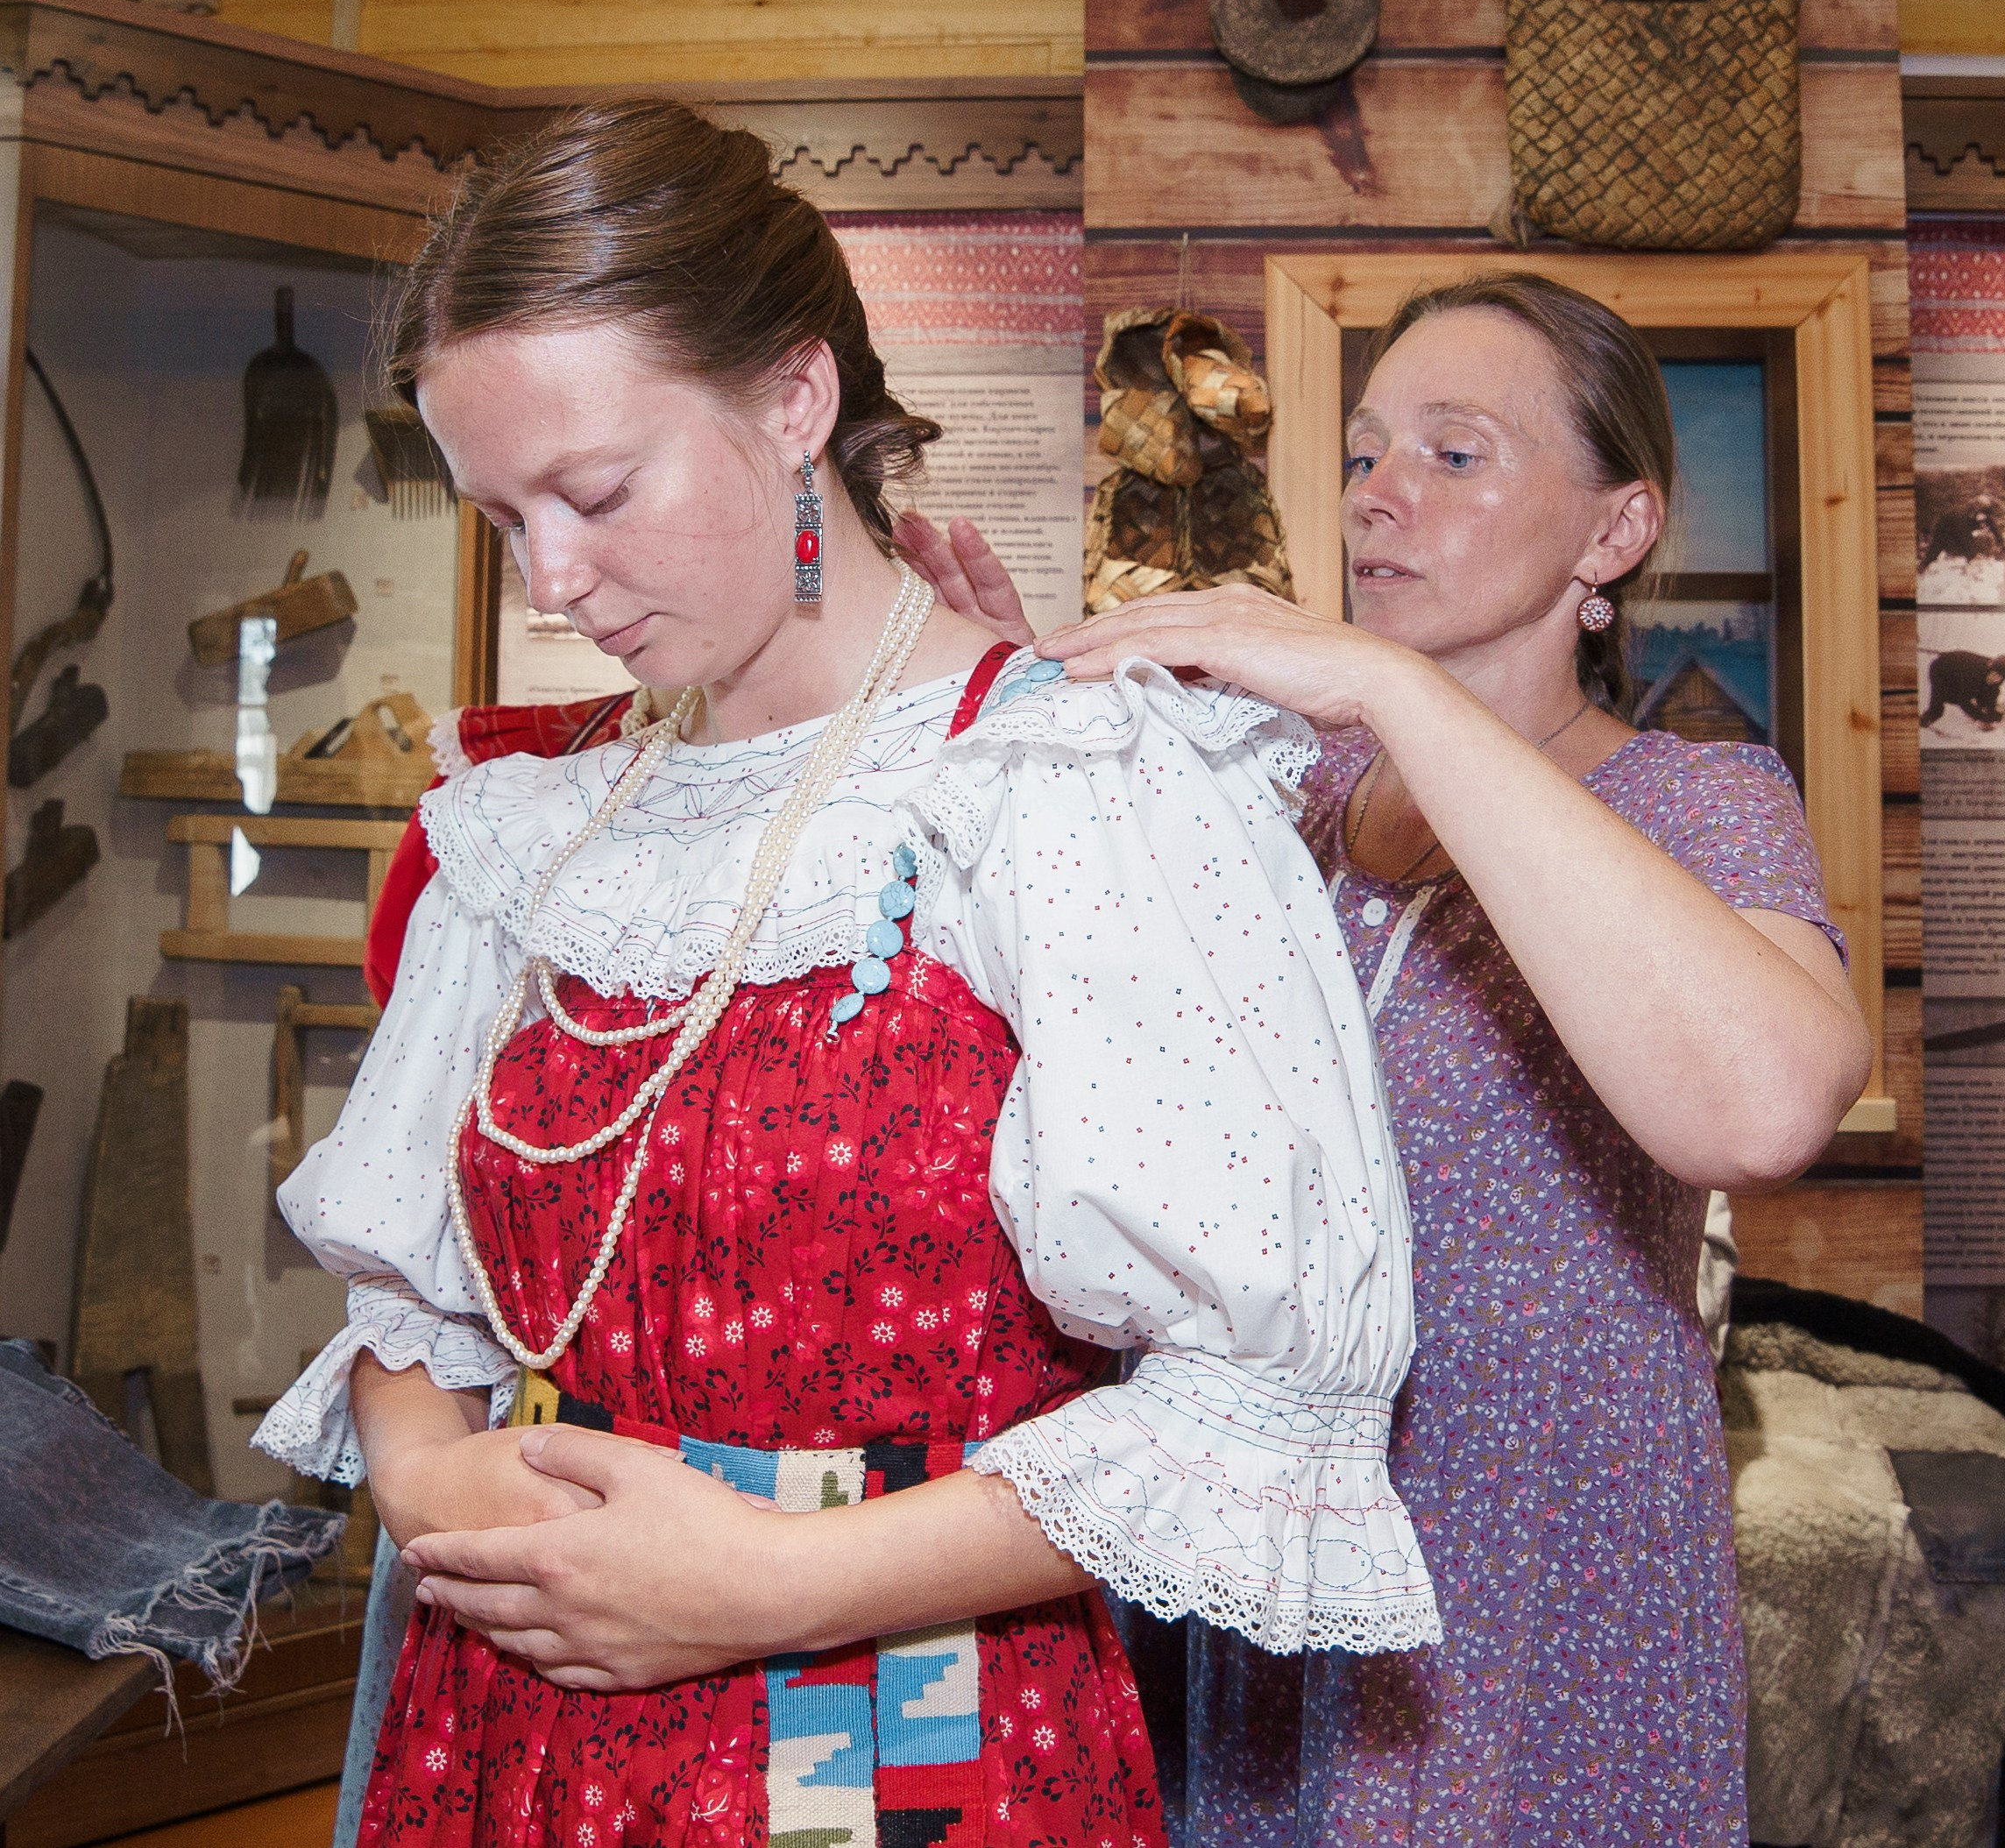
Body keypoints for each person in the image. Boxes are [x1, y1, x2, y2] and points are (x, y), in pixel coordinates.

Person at [255, 101, 1438, 1848]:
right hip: (515, 1719)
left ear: (797, 400)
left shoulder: (1065, 788)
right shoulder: (540, 824)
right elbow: (407, 1303)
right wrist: (437, 1482)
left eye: (595, 492)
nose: (555, 582)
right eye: (504, 517)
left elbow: (1256, 1397)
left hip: (897, 1718)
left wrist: (765, 1585)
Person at [896, 271, 1873, 1845]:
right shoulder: (1280, 781)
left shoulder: (1693, 802)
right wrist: (1049, 752)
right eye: (1362, 456)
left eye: (1455, 453)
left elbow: (1761, 1107)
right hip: (1244, 1522)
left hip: (1532, 1566)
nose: (1378, 498)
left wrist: (1394, 685)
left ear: (1613, 535)